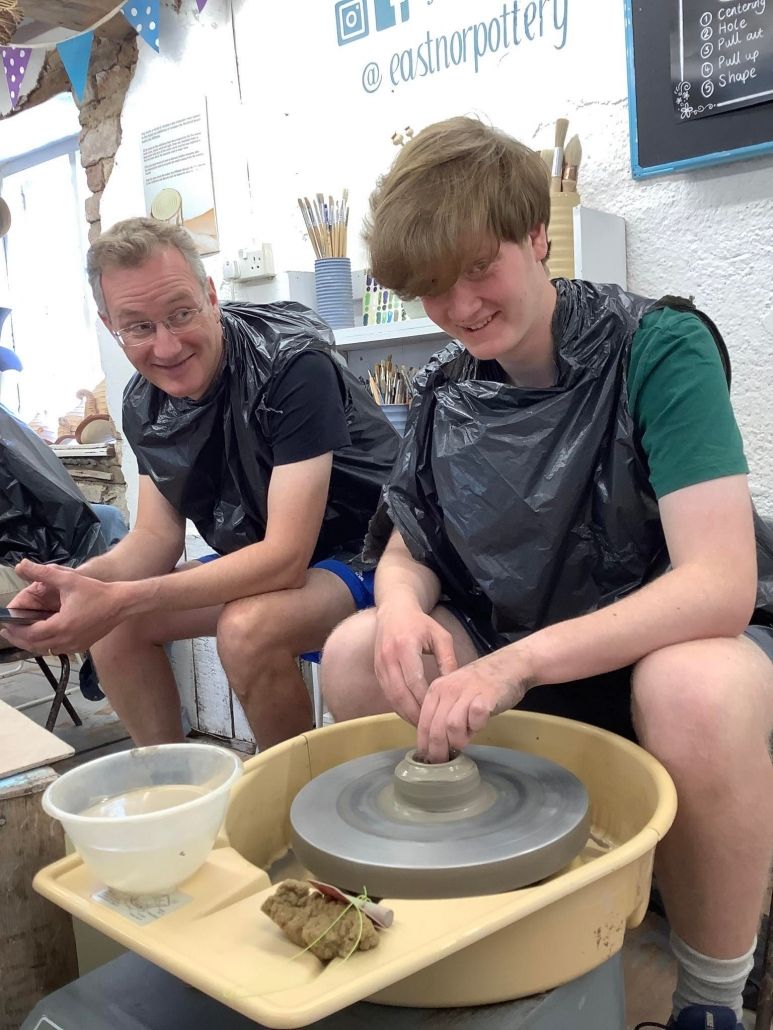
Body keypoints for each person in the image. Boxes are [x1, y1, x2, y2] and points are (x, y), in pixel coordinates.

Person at [320, 117, 773, 1030]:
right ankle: (456, 918)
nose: (460, 306)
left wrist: (515, 663)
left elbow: (718, 583)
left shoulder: (659, 347)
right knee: (360, 649)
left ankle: (711, 995)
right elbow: (411, 543)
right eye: (433, 287)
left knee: (696, 687)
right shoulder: (448, 385)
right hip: (520, 645)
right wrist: (404, 609)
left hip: (655, 649)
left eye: (477, 268)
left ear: (537, 236)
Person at [2, 217, 399, 750]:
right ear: (109, 324)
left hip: (373, 551)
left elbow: (284, 558)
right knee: (116, 625)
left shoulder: (291, 365)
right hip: (276, 562)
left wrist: (120, 598)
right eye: (138, 327)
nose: (166, 347)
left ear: (211, 295)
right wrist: (78, 586)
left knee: (246, 628)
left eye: (180, 313)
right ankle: (172, 793)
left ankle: (287, 804)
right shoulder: (144, 400)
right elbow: (153, 541)